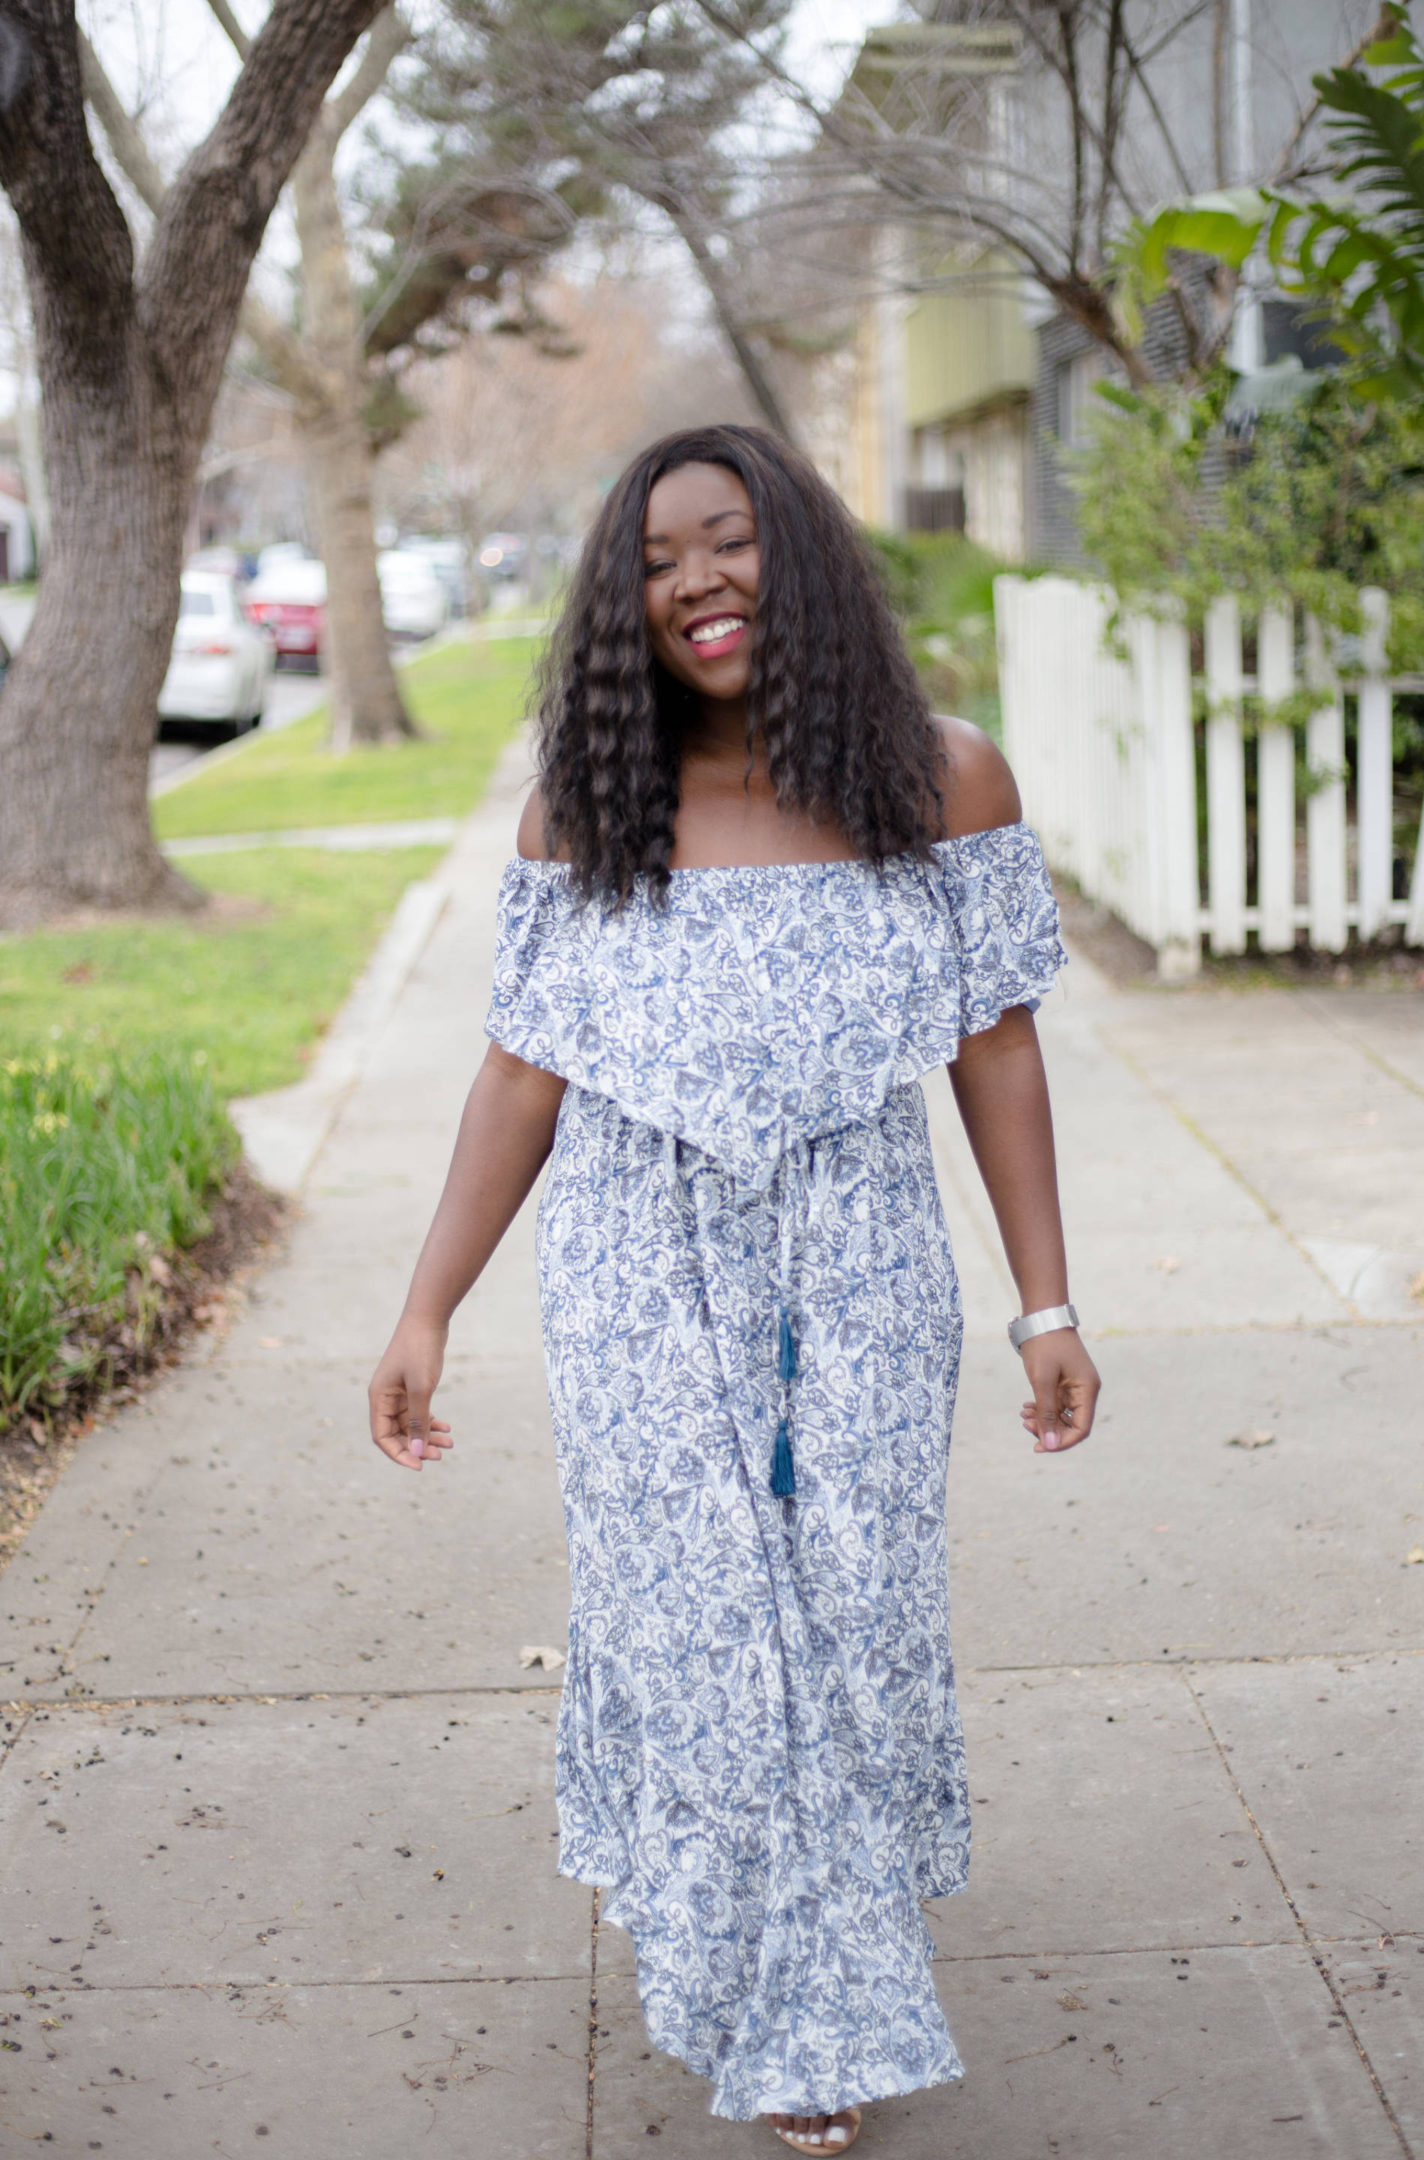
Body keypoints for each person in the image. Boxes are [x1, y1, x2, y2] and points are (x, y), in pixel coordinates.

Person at [367, 425, 1100, 2150]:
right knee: (701, 1641)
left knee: (844, 1625)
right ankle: (795, 2018)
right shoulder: (590, 815)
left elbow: (999, 1052)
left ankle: (815, 1966)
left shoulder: (945, 785)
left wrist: (1046, 1306)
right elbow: (518, 1079)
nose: (695, 580)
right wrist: (424, 1310)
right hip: (634, 1274)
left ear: (807, 556)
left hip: (859, 1266)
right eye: (652, 561)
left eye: (728, 538)